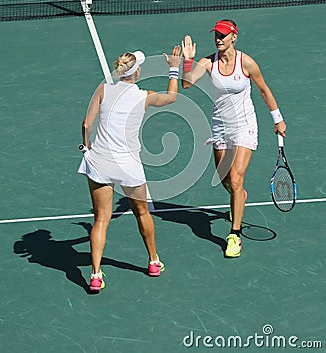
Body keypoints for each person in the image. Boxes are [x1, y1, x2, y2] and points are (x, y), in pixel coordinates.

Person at [78, 46, 182, 291]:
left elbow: (86, 124)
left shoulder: (103, 89)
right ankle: (154, 261)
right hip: (128, 166)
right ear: (136, 73)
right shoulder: (143, 96)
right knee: (142, 213)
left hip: (100, 163)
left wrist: (86, 145)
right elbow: (171, 97)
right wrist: (175, 68)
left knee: (101, 220)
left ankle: (95, 275)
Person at [181, 19, 286, 258]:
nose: (218, 39)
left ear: (234, 37)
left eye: (223, 35)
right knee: (224, 178)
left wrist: (277, 119)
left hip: (244, 126)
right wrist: (188, 60)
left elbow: (263, 90)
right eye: (216, 35)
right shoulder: (208, 62)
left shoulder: (246, 62)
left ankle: (234, 235)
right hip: (220, 127)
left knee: (236, 179)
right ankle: (239, 196)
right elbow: (186, 84)